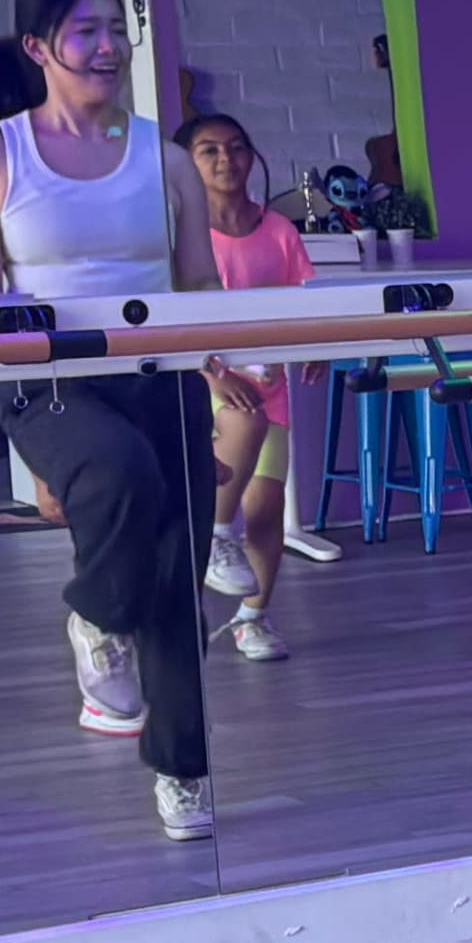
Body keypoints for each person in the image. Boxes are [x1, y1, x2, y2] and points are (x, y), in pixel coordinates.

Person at [0, 0, 218, 841]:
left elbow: (200, 282)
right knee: (122, 474)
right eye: (84, 32)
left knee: (180, 582)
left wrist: (222, 359)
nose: (106, 47)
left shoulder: (164, 157)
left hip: (160, 376)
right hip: (51, 382)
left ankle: (184, 772)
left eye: (115, 30)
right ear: (39, 48)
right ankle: (98, 614)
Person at [181, 112, 312, 662]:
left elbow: (305, 304)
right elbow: (172, 321)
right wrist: (214, 374)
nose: (224, 160)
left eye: (235, 148)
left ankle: (252, 618)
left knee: (265, 509)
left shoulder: (278, 231)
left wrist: (312, 350)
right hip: (208, 383)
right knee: (211, 499)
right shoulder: (180, 238)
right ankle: (214, 539)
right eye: (208, 150)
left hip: (268, 385)